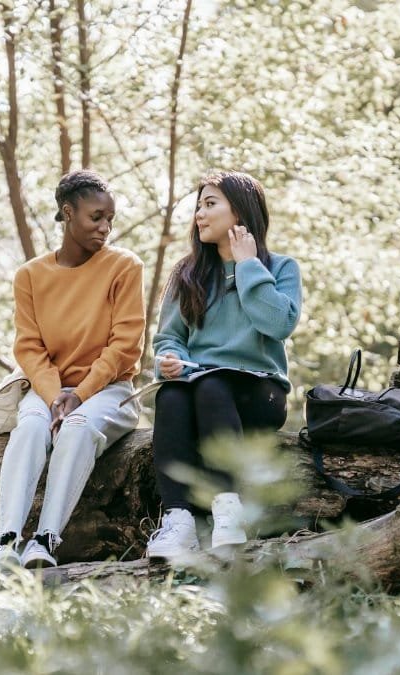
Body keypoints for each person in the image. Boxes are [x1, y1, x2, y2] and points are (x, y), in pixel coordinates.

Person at [0, 169, 145, 570]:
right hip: (48, 389)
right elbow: (29, 347)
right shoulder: (30, 276)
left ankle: (44, 540)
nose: (105, 228)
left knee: (76, 428)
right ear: (68, 212)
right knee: (30, 429)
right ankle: (5, 544)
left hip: (110, 391)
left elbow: (125, 347)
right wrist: (54, 394)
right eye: (97, 217)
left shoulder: (124, 267)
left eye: (110, 219)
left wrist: (79, 395)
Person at [145, 171, 302, 560]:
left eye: (210, 203)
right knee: (172, 397)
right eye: (199, 205)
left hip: (259, 394)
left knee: (212, 387)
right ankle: (178, 520)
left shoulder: (280, 268)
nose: (200, 213)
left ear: (241, 211)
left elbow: (278, 323)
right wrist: (172, 361)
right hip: (198, 389)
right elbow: (169, 338)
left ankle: (229, 511)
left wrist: (248, 265)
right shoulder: (189, 274)